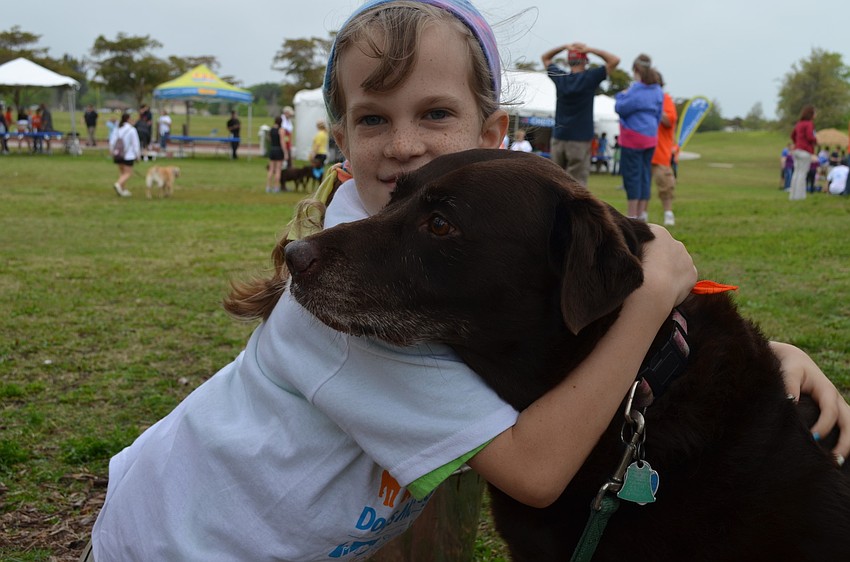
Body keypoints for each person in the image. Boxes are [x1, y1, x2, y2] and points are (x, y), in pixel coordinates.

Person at [84, 1, 850, 560]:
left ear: (489, 135)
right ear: (342, 134)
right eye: (373, 119)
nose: (405, 145)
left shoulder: (475, 216)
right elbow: (536, 472)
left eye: (435, 113)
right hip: (177, 544)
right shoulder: (344, 321)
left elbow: (578, 292)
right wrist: (650, 301)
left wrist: (773, 357)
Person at [542, 41, 620, 187]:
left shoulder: (560, 77)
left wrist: (564, 46)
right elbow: (614, 60)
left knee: (556, 182)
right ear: (585, 61)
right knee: (577, 184)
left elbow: (545, 58)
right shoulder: (590, 78)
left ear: (569, 61)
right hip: (581, 138)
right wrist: (590, 49)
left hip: (559, 137)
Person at [615, 54, 663, 220]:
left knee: (632, 175)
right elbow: (658, 114)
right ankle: (643, 212)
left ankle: (632, 215)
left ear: (636, 70)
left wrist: (621, 95)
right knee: (644, 174)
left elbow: (621, 108)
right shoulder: (657, 90)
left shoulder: (636, 90)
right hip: (651, 137)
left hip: (633, 138)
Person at [651, 73, 678, 226]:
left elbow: (669, 120)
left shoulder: (665, 99)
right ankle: (641, 215)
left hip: (660, 152)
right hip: (642, 150)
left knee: (665, 186)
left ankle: (668, 213)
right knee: (641, 187)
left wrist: (654, 107)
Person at [108, 112, 141, 197]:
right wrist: (137, 155)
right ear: (128, 119)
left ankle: (122, 189)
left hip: (118, 154)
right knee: (128, 173)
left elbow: (112, 141)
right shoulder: (132, 130)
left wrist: (111, 150)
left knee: (122, 172)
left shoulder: (117, 129)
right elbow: (135, 144)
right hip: (128, 155)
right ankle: (118, 184)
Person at [789, 105, 817, 201]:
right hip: (805, 151)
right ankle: (800, 196)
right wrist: (815, 140)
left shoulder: (799, 123)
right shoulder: (809, 124)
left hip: (797, 150)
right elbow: (809, 136)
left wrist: (797, 143)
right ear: (811, 114)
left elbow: (792, 135)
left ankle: (792, 195)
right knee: (802, 174)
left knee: (796, 173)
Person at [265, 115, 288, 193]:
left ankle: (268, 187)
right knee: (278, 170)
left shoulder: (271, 129)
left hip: (272, 149)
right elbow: (282, 142)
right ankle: (276, 187)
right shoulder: (281, 130)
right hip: (279, 150)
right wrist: (285, 152)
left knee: (271, 169)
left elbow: (269, 138)